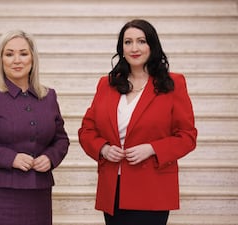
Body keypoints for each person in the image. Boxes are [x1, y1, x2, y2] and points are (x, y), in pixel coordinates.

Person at [78, 19, 197, 225]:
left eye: (141, 41)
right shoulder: (107, 84)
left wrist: (152, 148)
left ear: (152, 45)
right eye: (128, 42)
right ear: (121, 48)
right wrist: (103, 149)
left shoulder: (173, 83)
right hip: (113, 188)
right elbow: (87, 130)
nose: (134, 48)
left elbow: (187, 136)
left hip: (153, 188)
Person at [0, 30, 69, 225]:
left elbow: (61, 140)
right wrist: (10, 158)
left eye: (23, 53)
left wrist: (50, 158)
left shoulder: (48, 96)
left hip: (38, 191)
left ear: (32, 58)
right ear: (1, 59)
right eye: (9, 54)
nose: (17, 60)